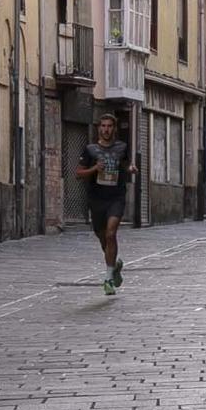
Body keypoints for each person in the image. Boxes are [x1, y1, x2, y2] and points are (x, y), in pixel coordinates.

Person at [77, 112, 137, 296]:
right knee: (104, 239)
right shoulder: (90, 150)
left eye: (109, 126)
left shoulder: (122, 147)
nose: (106, 129)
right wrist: (94, 169)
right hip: (96, 198)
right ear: (98, 128)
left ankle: (108, 278)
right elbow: (79, 173)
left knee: (111, 233)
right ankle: (115, 264)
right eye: (103, 126)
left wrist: (131, 168)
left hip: (116, 197)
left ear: (114, 128)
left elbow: (127, 164)